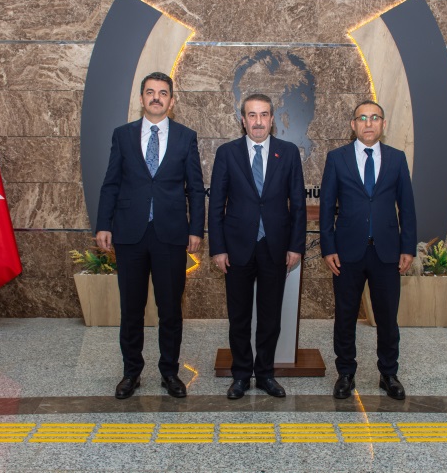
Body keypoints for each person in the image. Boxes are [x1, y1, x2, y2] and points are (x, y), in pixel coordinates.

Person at [96, 72, 205, 400]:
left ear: (172, 101)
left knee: (170, 308)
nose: (156, 97)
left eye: (163, 93)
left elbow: (195, 188)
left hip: (171, 235)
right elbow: (111, 183)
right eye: (150, 92)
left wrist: (195, 229)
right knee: (131, 308)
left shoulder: (186, 137)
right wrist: (103, 224)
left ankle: (169, 372)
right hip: (129, 233)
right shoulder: (123, 135)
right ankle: (131, 372)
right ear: (142, 98)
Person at [208, 94, 307, 400]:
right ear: (243, 120)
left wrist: (296, 246)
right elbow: (216, 206)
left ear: (272, 119)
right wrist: (218, 248)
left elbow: (298, 204)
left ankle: (264, 374)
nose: (258, 121)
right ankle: (241, 375)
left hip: (275, 247)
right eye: (252, 115)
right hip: (236, 248)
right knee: (238, 317)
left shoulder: (288, 153)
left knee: (270, 317)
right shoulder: (227, 153)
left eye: (264, 115)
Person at [319, 100, 417, 400]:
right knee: (345, 315)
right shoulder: (337, 158)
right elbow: (326, 207)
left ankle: (389, 373)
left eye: (375, 118)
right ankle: (345, 373)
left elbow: (407, 207)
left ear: (383, 124)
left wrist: (408, 247)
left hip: (387, 252)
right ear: (353, 125)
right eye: (362, 118)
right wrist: (328, 247)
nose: (369, 123)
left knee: (387, 317)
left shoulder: (397, 159)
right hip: (346, 252)